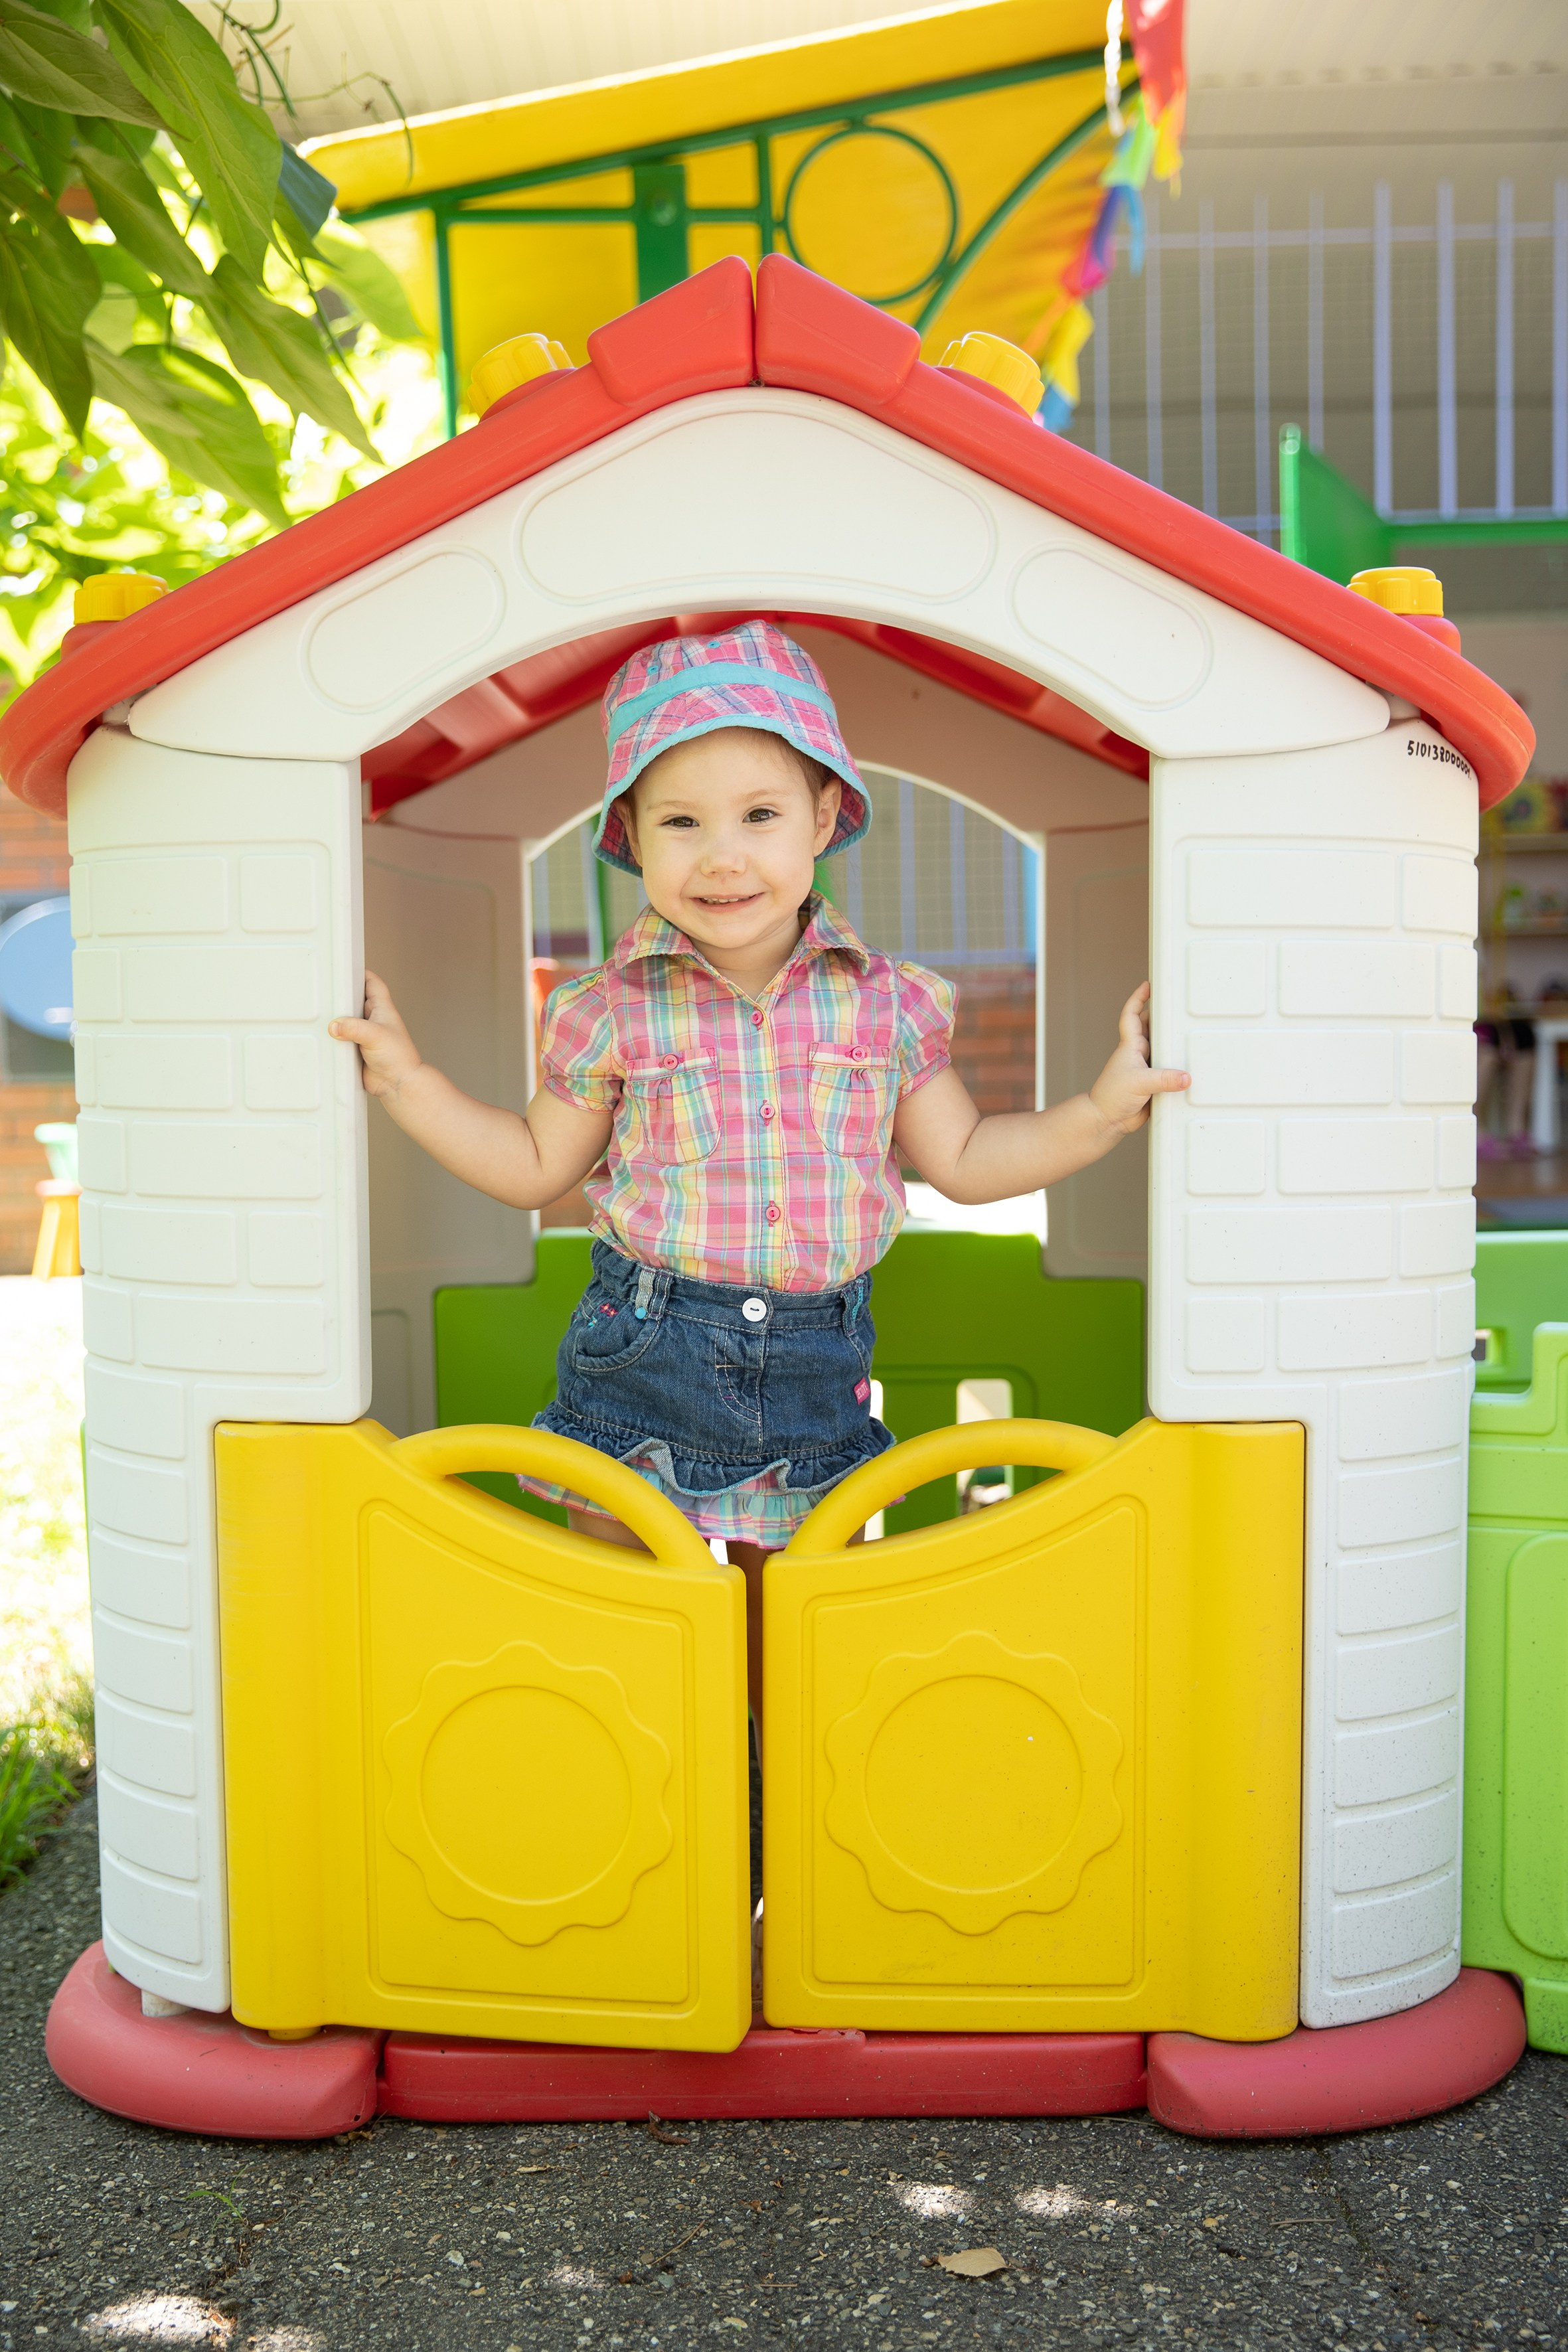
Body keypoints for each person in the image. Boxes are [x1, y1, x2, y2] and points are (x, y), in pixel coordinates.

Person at [330, 623, 1190, 1751]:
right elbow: (535, 1166)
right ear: (630, 839)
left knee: (804, 1645)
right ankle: (651, 1819)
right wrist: (407, 1079)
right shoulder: (611, 1008)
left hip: (817, 1370)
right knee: (633, 1639)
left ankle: (789, 1839)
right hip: (645, 1359)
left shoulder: (888, 1003)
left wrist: (1101, 1109)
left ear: (824, 819)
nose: (721, 857)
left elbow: (970, 1163)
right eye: (680, 822)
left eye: (760, 815)